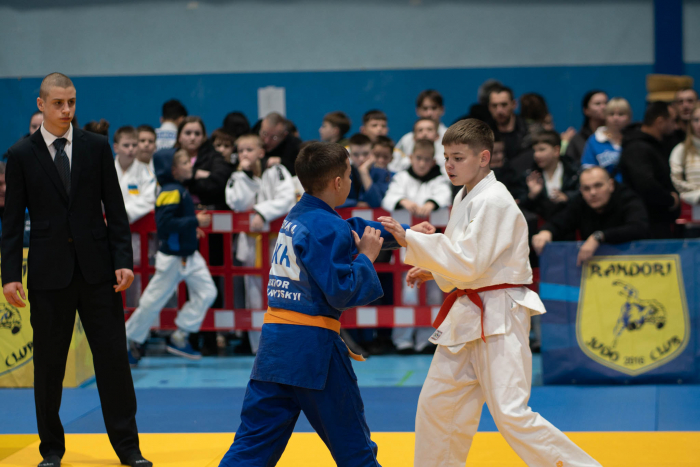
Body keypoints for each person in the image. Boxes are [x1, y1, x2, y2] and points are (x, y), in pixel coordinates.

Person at [380, 118, 601, 467]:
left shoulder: (495, 200)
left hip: (499, 312)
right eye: (446, 157)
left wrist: (410, 239)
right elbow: (466, 257)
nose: (449, 165)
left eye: (457, 157)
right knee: (438, 405)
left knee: (511, 413)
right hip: (468, 312)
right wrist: (434, 267)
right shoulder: (466, 195)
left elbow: (468, 262)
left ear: (483, 158)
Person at [218, 141, 413, 466]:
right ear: (338, 182)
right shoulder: (327, 226)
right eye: (349, 176)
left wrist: (405, 234)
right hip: (313, 351)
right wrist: (366, 257)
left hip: (274, 348)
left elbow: (350, 230)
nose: (350, 182)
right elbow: (342, 290)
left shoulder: (299, 215)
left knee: (252, 446)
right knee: (355, 449)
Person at [1, 73, 151, 467]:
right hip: (49, 276)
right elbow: (12, 222)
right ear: (41, 105)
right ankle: (51, 450)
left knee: (114, 360)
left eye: (71, 102)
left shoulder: (96, 147)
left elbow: (115, 209)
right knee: (49, 366)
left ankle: (128, 449)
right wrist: (10, 274)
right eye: (58, 103)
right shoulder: (19, 155)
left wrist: (123, 260)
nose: (66, 110)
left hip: (98, 271)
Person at [125, 149, 217, 363]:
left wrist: (189, 230)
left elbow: (175, 222)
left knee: (207, 292)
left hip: (189, 256)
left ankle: (179, 335)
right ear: (173, 170)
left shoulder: (178, 190)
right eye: (185, 162)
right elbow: (164, 224)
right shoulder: (170, 191)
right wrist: (195, 221)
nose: (190, 165)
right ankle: (129, 340)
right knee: (152, 302)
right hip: (173, 259)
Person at [224, 134, 296, 354]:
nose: (245, 155)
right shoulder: (239, 177)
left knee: (283, 291)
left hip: (277, 244)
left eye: (250, 150)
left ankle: (284, 342)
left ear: (261, 152)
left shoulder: (276, 171)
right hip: (251, 244)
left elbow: (287, 199)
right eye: (242, 151)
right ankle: (260, 347)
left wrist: (261, 213)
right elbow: (236, 203)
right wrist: (242, 174)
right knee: (254, 295)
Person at [381, 139, 452, 354]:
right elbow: (388, 198)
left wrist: (431, 204)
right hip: (406, 247)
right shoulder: (402, 178)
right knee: (407, 293)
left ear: (432, 161)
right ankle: (403, 340)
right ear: (411, 158)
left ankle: (425, 339)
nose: (421, 163)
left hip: (431, 247)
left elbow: (444, 195)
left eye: (426, 160)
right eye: (418, 159)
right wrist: (405, 202)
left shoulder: (439, 179)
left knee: (432, 293)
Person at [532, 166, 650, 265]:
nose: (592, 193)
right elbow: (561, 220)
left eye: (598, 186)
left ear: (611, 185)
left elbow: (639, 228)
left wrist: (599, 237)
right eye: (586, 188)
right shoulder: (580, 202)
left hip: (633, 263)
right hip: (596, 268)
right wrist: (546, 232)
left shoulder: (628, 199)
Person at [619, 101, 680, 238]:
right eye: (672, 121)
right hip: (647, 225)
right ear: (660, 122)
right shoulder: (637, 148)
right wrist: (670, 200)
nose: (675, 126)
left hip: (659, 221)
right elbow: (646, 184)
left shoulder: (658, 144)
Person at [174, 116, 234, 210]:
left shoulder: (215, 157)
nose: (193, 137)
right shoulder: (170, 157)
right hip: (177, 209)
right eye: (188, 133)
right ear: (179, 137)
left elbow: (220, 184)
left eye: (197, 134)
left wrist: (189, 178)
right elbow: (169, 182)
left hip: (208, 211)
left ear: (203, 137)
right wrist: (200, 174)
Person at [522, 130, 579, 221]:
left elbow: (582, 194)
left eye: (542, 149)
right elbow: (520, 204)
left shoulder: (574, 172)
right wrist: (531, 195)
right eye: (535, 150)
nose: (536, 155)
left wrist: (567, 197)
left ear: (556, 150)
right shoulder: (529, 175)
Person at [581, 97, 632, 182]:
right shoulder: (595, 140)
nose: (616, 118)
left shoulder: (636, 140)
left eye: (621, 114)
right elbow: (587, 171)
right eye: (611, 114)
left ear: (629, 117)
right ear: (605, 117)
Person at [113, 126, 156, 224]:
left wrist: (123, 213)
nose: (131, 149)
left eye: (134, 145)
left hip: (138, 229)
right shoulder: (106, 169)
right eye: (126, 145)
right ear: (116, 148)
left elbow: (149, 200)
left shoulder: (147, 172)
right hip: (109, 225)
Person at [339, 133, 391, 208]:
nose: (361, 159)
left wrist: (364, 172)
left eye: (365, 154)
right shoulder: (343, 174)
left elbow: (376, 202)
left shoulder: (382, 173)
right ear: (350, 155)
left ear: (372, 153)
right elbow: (334, 200)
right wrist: (356, 204)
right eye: (356, 154)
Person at [395, 90, 448, 160]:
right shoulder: (406, 140)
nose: (429, 113)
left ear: (442, 110)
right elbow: (394, 165)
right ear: (417, 111)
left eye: (434, 108)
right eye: (425, 108)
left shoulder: (452, 138)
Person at [565, 90, 608, 165]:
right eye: (597, 104)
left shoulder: (617, 136)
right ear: (586, 110)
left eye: (606, 103)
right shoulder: (577, 140)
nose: (603, 107)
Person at [487, 84, 529, 161]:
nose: (499, 110)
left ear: (514, 104)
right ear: (489, 107)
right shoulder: (483, 133)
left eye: (504, 104)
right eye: (494, 105)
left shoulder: (530, 130)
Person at [669, 102, 700, 206]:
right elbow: (675, 180)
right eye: (696, 120)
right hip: (691, 204)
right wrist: (696, 191)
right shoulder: (681, 149)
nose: (699, 124)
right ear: (690, 123)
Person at [259, 112, 302, 176]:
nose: (266, 141)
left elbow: (300, 172)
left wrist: (282, 162)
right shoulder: (252, 137)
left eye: (274, 137)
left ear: (284, 136)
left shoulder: (295, 146)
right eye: (264, 134)